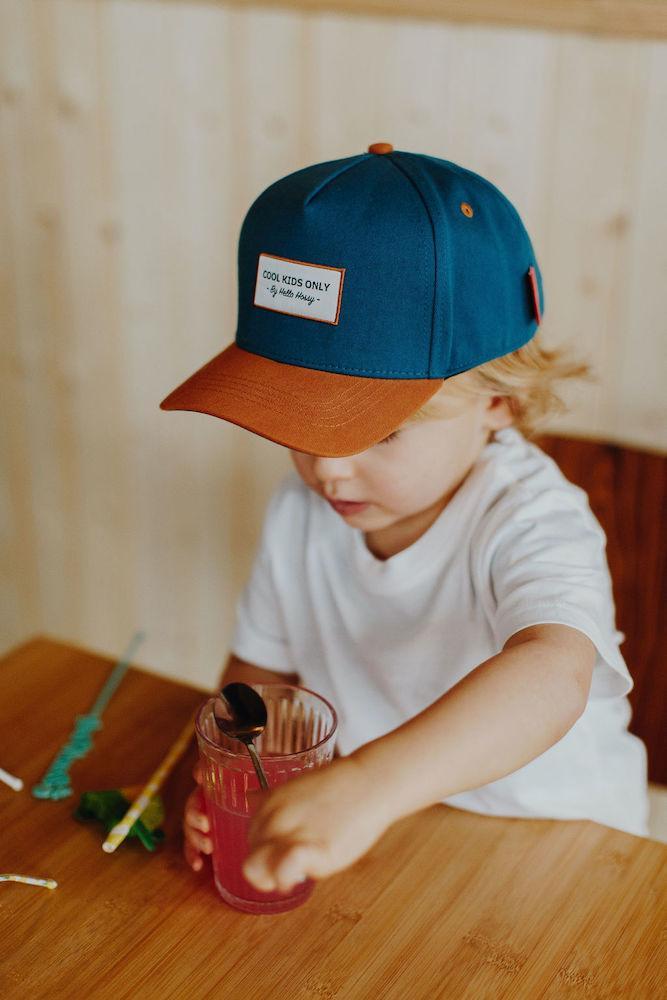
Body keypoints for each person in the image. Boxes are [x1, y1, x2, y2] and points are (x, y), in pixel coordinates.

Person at [161, 143, 650, 895]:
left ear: (498, 402)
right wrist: (233, 770)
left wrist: (363, 786)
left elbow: (552, 672)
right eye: (299, 418)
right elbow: (259, 673)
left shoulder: (529, 517)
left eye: (378, 430)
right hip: (390, 832)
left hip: (561, 848)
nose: (327, 467)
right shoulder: (302, 507)